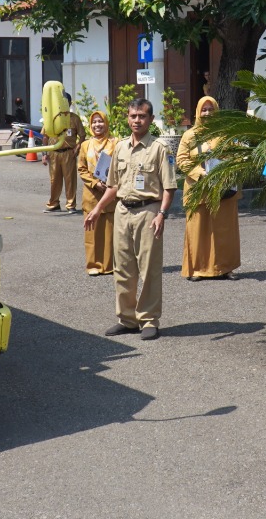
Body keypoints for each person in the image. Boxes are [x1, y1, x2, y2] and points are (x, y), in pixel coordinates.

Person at [84, 98, 174, 341]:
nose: (137, 120)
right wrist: (98, 208)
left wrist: (162, 214)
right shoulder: (121, 148)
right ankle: (127, 319)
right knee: (122, 268)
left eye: (142, 116)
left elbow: (169, 187)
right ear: (127, 118)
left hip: (148, 212)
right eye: (133, 116)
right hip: (123, 211)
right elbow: (113, 185)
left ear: (151, 119)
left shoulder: (159, 148)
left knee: (149, 269)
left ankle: (149, 320)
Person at [178, 96, 241, 281]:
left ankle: (226, 268)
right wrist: (200, 174)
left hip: (223, 188)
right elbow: (182, 159)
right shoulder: (190, 135)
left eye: (211, 109)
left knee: (224, 229)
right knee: (197, 230)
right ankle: (197, 269)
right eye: (204, 110)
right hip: (198, 189)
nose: (207, 113)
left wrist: (227, 171)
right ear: (198, 112)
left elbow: (238, 155)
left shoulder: (226, 133)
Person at [77, 110, 118, 276]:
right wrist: (95, 183)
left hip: (110, 193)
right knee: (92, 231)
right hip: (91, 194)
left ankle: (109, 265)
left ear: (106, 123)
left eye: (100, 121)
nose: (97, 125)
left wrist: (109, 183)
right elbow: (81, 169)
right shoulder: (85, 145)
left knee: (109, 232)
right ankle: (93, 264)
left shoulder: (115, 143)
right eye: (94, 122)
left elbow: (119, 165)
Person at [44, 94, 84, 213]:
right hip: (54, 153)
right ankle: (54, 204)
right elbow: (45, 136)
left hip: (68, 153)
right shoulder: (52, 118)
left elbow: (82, 135)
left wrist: (77, 147)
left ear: (70, 103)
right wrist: (45, 153)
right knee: (54, 180)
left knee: (70, 180)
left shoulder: (74, 118)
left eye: (66, 102)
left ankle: (70, 205)